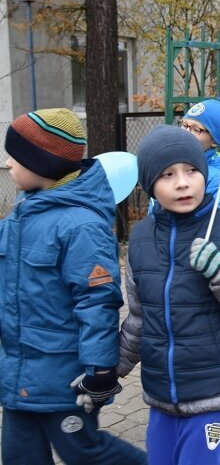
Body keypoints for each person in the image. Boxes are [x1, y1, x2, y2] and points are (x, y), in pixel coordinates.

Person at [117, 125, 220, 464]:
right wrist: (108, 372)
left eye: (191, 170)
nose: (182, 182)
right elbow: (139, 319)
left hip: (215, 394)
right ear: (149, 185)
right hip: (161, 396)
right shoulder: (142, 239)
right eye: (167, 174)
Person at [1, 109, 147, 464]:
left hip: (64, 378)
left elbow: (97, 301)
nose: (7, 163)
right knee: (19, 457)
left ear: (43, 164)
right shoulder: (21, 214)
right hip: (18, 373)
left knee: (85, 452)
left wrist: (99, 371)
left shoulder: (82, 225)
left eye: (15, 156)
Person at [150, 99, 220, 215]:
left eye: (196, 129)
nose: (186, 132)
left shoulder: (219, 181)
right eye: (184, 125)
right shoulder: (166, 167)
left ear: (213, 141)